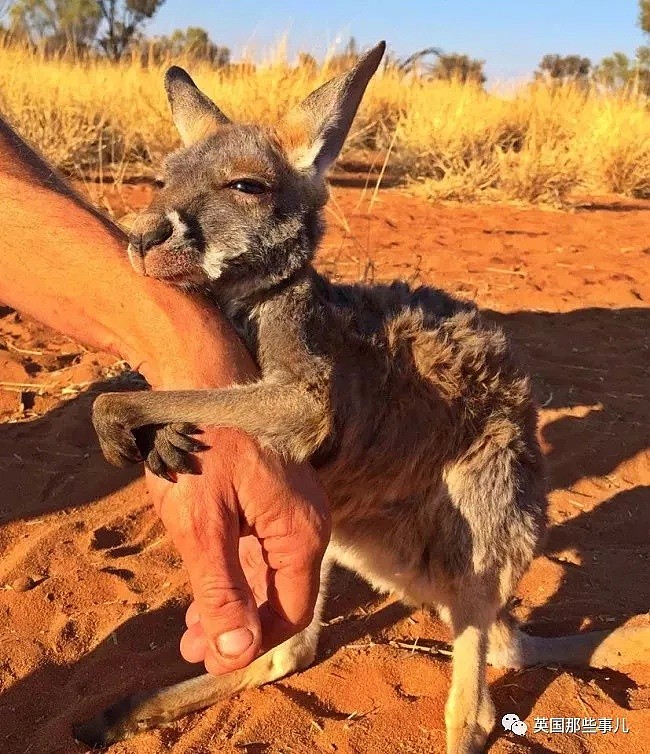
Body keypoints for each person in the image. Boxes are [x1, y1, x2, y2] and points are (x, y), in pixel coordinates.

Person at [0, 114, 330, 676]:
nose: (150, 221)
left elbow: (304, 406)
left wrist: (151, 405)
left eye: (244, 188)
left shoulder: (289, 304)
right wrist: (166, 391)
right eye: (167, 186)